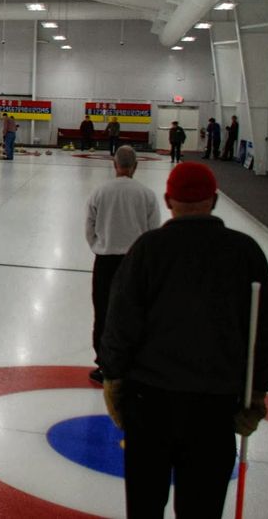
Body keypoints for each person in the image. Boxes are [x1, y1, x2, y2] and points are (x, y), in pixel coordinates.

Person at [101, 162, 268, 519]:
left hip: (149, 404)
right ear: (214, 200)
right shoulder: (244, 252)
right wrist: (257, 393)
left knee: (144, 505)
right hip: (213, 410)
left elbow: (120, 323)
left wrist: (113, 379)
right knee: (202, 509)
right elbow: (265, 332)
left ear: (168, 200)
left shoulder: (148, 249)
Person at [84, 146, 160, 384]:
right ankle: (133, 364)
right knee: (135, 314)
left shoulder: (100, 192)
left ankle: (105, 364)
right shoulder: (146, 194)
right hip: (134, 263)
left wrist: (99, 244)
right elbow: (153, 230)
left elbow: (89, 227)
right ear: (135, 165)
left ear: (114, 164)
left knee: (104, 312)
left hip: (105, 261)